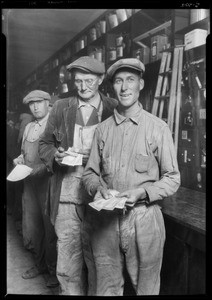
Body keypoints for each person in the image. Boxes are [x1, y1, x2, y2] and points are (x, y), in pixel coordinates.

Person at [82, 58, 181, 296]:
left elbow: (172, 178)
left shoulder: (158, 128)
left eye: (130, 80)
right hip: (106, 218)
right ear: (112, 87)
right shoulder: (103, 130)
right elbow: (89, 173)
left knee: (146, 288)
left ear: (141, 84)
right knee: (106, 287)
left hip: (145, 218)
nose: (124, 87)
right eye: (118, 81)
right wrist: (97, 187)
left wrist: (143, 192)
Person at [38, 56, 117, 295]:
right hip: (67, 197)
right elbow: (44, 144)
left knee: (101, 263)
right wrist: (55, 155)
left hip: (100, 196)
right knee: (68, 262)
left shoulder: (113, 108)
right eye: (78, 81)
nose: (83, 87)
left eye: (89, 81)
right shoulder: (62, 107)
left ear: (101, 79)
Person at [13, 90, 58, 287]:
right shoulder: (29, 126)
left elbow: (59, 157)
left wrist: (41, 168)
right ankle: (39, 264)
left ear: (48, 103)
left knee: (50, 228)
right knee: (33, 227)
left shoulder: (54, 125)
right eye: (31, 104)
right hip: (29, 184)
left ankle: (53, 271)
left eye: (39, 102)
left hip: (48, 183)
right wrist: (20, 159)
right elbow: (24, 152)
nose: (35, 107)